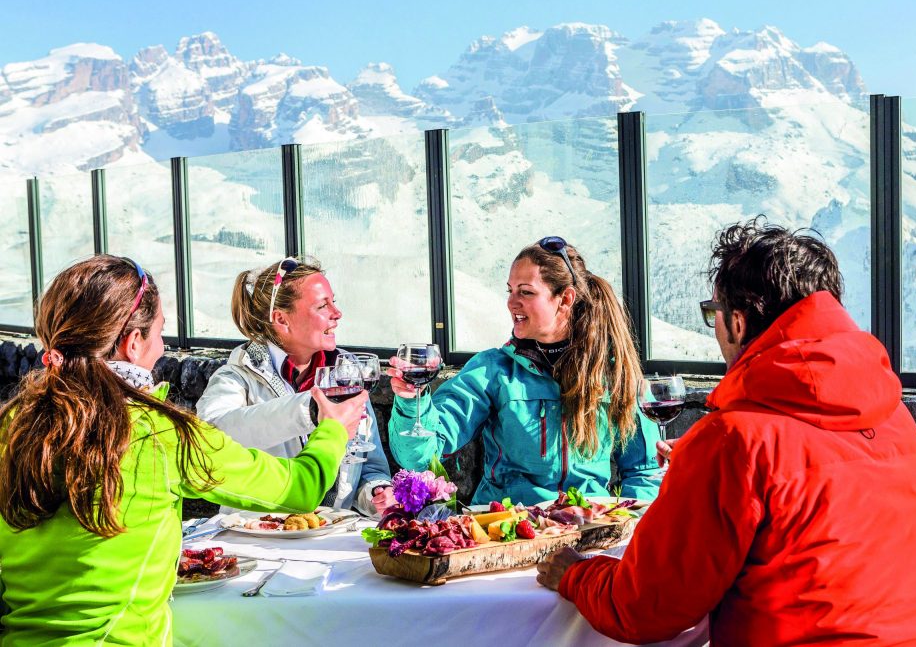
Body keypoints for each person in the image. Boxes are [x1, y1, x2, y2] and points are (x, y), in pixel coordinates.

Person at [537, 219, 916, 645]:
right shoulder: (892, 416)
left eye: (712, 314)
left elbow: (645, 607)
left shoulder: (732, 440)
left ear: (737, 322)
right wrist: (706, 470)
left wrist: (576, 573)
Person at [0, 255, 366, 645]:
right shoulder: (161, 434)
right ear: (134, 342)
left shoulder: (14, 423)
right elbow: (300, 488)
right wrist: (331, 431)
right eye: (160, 331)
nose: (164, 345)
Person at [388, 237, 661, 506]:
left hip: (585, 529)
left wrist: (628, 527)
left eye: (526, 292)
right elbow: (422, 457)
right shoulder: (493, 371)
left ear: (565, 299)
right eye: (510, 290)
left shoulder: (612, 373)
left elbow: (644, 470)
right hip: (507, 531)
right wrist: (413, 402)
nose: (511, 302)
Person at [198, 257, 395, 517]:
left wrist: (376, 493)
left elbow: (368, 466)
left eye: (334, 302)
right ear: (281, 319)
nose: (337, 314)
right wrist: (309, 411)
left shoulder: (347, 373)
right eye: (323, 305)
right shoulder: (236, 377)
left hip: (327, 538)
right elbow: (211, 438)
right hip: (256, 540)